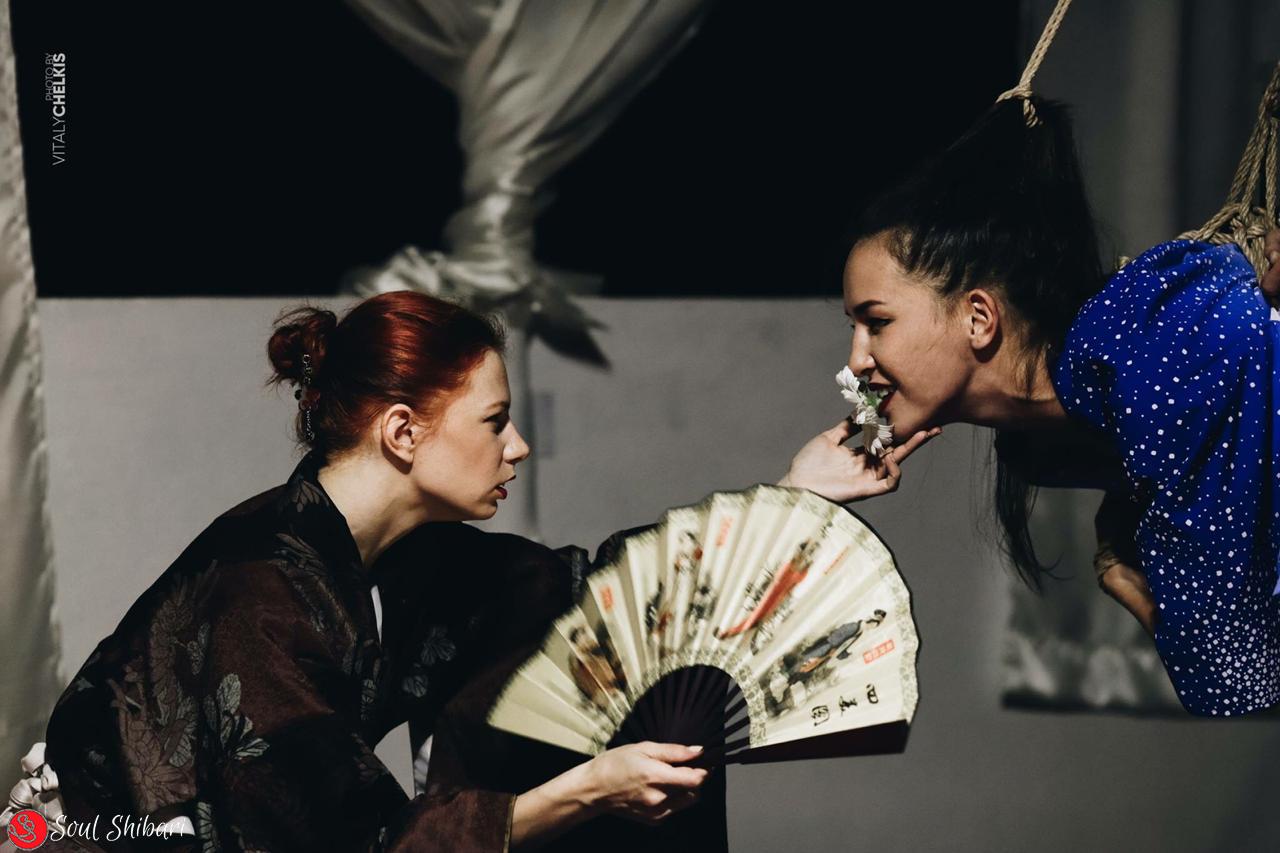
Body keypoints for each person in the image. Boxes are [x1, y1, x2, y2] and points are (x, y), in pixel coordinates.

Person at [25, 290, 935, 852]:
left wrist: (793, 495)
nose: (519, 445)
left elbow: (598, 594)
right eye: (495, 421)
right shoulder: (260, 595)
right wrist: (586, 790)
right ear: (403, 431)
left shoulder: (404, 557)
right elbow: (355, 843)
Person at [834, 91, 1280, 717]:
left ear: (979, 318)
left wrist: (1132, 585)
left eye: (876, 322)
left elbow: (1236, 679)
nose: (855, 361)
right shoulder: (1039, 447)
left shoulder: (1142, 354)